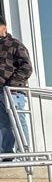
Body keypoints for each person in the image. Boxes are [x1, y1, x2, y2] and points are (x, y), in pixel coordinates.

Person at [0, 16, 33, 155]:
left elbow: (26, 67)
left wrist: (12, 84)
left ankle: (25, 153)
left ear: (4, 27)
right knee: (3, 124)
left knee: (18, 121)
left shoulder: (14, 44)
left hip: (12, 91)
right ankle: (7, 153)